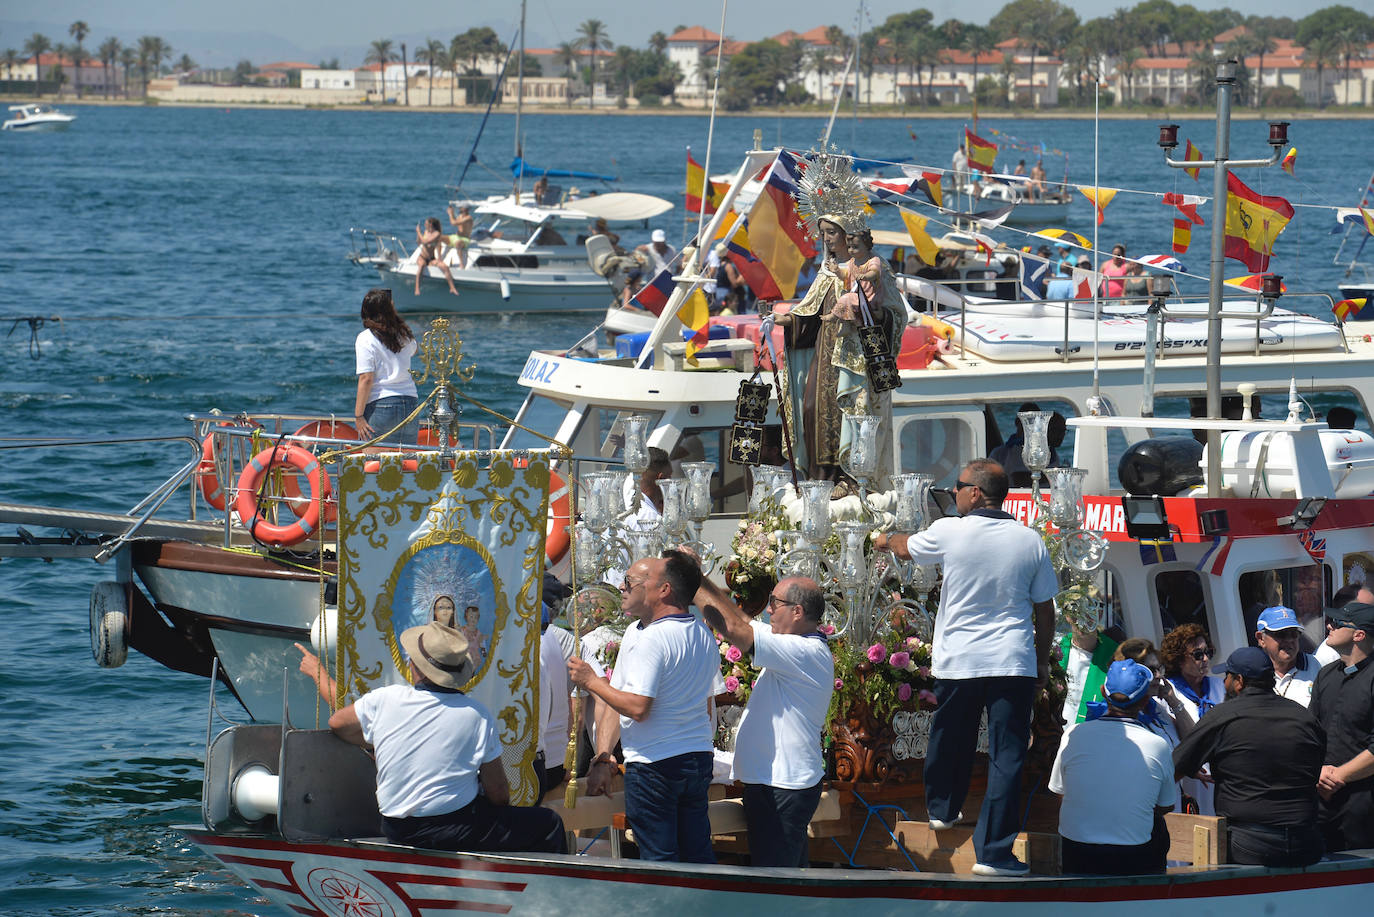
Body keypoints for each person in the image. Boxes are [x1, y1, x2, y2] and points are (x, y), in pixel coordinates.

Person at [875, 459, 1057, 877]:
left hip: (960, 660)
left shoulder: (950, 531)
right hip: (1012, 661)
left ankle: (942, 809)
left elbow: (903, 547)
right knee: (1007, 755)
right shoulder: (1030, 539)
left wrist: (881, 538)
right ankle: (994, 854)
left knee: (950, 736)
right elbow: (1045, 610)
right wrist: (1042, 661)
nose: (952, 493)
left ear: (975, 493)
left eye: (956, 486)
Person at [316, 620, 565, 853]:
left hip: (395, 827)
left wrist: (379, 742)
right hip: (452, 828)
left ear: (416, 666)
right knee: (549, 823)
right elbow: (498, 793)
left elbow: (338, 723)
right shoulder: (476, 715)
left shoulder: (384, 699)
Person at [568, 550, 719, 863]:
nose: (622, 587)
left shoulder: (653, 638)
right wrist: (604, 756)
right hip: (694, 758)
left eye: (630, 581)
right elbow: (624, 697)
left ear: (663, 590)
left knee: (660, 862)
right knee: (696, 858)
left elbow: (637, 707)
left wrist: (591, 681)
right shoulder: (700, 632)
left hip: (657, 766)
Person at [695, 574, 834, 868]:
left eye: (774, 602)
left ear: (797, 611)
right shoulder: (796, 646)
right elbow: (741, 622)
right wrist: (702, 581)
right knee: (786, 877)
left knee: (778, 882)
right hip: (777, 784)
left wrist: (692, 579)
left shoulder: (803, 651)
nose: (769, 609)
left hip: (782, 787)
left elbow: (735, 629)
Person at [1171, 646, 1325, 866]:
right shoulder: (1304, 717)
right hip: (1307, 843)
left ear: (1239, 681)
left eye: (1227, 676)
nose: (1224, 683)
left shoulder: (1221, 717)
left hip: (1248, 844)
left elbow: (1173, 770)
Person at [1049, 660, 1175, 875]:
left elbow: (1059, 791)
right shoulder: (1158, 745)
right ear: (1145, 700)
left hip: (1077, 851)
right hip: (1133, 853)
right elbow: (1166, 805)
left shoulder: (1073, 734)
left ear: (1102, 692)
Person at [1311, 600, 1374, 852]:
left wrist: (1338, 776)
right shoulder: (1325, 674)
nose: (1329, 626)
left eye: (1337, 623)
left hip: (1363, 804)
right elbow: (1310, 731)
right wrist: (1317, 773)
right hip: (1320, 796)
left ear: (1359, 635)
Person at [1160, 622, 1223, 814]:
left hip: (1220, 778)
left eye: (1208, 652)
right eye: (1197, 655)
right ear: (1179, 659)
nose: (1205, 659)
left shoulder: (1219, 686)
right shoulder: (1166, 692)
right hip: (1188, 781)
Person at [354, 288, 419, 444]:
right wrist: (395, 319)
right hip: (410, 404)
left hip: (382, 405)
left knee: (374, 459)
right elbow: (414, 350)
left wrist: (358, 416)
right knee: (405, 458)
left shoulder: (365, 338)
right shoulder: (403, 334)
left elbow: (366, 378)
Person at [1256, 606, 1322, 707]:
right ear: (1261, 639)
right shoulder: (1252, 671)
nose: (1289, 640)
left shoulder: (1315, 666)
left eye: (1294, 634)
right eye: (1281, 634)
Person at [414, 216, 459, 296]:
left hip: (431, 259)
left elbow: (425, 241)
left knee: (445, 267)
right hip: (422, 257)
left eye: (426, 223)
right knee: (421, 266)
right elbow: (419, 242)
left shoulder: (437, 234)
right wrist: (418, 234)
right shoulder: (425, 232)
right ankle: (417, 288)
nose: (424, 225)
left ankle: (452, 288)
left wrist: (418, 232)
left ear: (430, 224)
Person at [444, 203, 473, 267]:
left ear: (465, 209)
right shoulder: (460, 216)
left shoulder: (468, 218)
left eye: (461, 208)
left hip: (465, 239)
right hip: (456, 236)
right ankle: (439, 259)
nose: (459, 209)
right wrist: (452, 214)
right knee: (440, 237)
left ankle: (461, 263)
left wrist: (450, 214)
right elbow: (455, 221)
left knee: (458, 243)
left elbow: (454, 223)